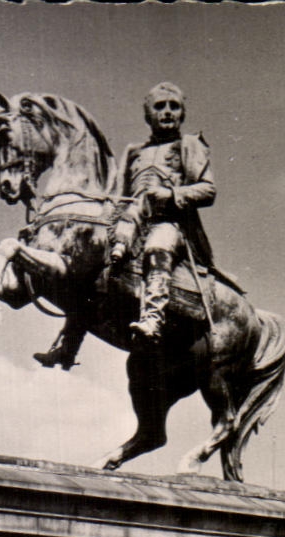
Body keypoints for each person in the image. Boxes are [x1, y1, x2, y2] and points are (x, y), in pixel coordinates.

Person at [32, 82, 217, 370]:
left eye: (174, 107)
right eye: (160, 106)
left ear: (181, 114)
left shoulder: (189, 145)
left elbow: (207, 190)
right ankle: (67, 347)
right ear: (148, 114)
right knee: (91, 267)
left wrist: (171, 195)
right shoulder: (133, 151)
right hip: (132, 221)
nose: (167, 112)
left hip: (171, 223)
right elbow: (118, 193)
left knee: (159, 244)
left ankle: (153, 319)